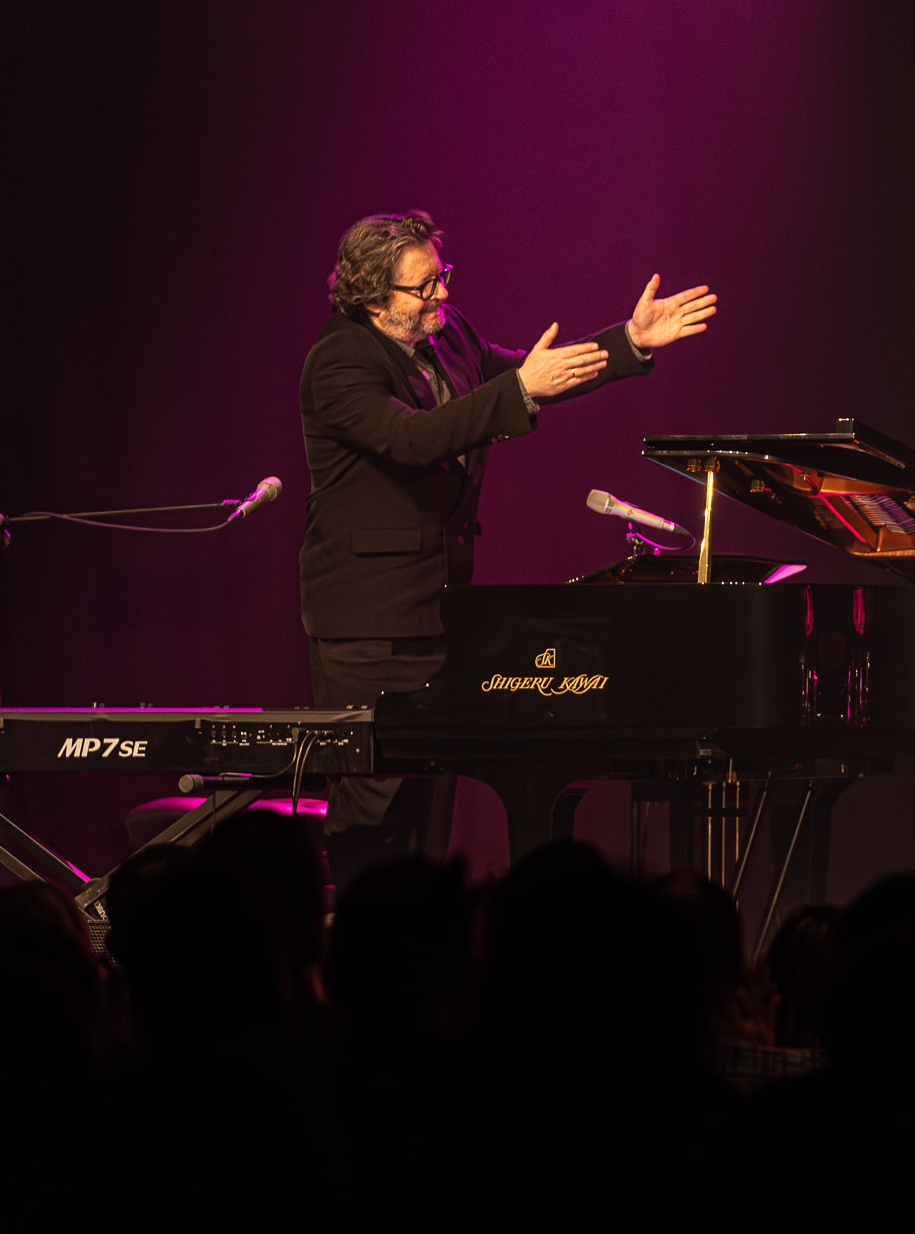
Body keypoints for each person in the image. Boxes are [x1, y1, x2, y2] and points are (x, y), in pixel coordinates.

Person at [298, 210, 715, 890]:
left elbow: (530, 373)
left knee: (430, 809)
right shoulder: (339, 359)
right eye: (423, 286)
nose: (441, 294)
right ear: (373, 296)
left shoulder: (448, 332)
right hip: (368, 622)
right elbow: (413, 439)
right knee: (374, 806)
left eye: (441, 276)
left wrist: (628, 341)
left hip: (441, 608)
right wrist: (519, 390)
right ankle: (359, 936)